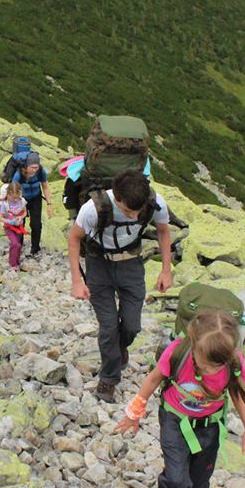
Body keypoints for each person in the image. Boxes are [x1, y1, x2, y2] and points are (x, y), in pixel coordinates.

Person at [116, 310, 245, 488]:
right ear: (193, 345)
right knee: (176, 481)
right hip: (175, 421)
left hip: (210, 425)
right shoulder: (178, 352)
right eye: (205, 367)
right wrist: (134, 413)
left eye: (216, 368)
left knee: (199, 480)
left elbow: (238, 393)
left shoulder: (231, 361)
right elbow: (153, 379)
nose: (210, 372)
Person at [68, 170, 173, 402]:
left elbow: (164, 232)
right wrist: (77, 280)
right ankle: (108, 379)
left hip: (131, 265)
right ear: (117, 198)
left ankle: (119, 349)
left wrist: (166, 270)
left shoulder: (154, 203)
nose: (134, 216)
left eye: (137, 211)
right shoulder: (94, 208)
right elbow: (74, 238)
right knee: (108, 327)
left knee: (132, 325)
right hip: (99, 266)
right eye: (127, 211)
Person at [11, 152, 52, 257]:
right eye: (32, 167)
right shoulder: (18, 175)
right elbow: (13, 191)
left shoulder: (41, 172)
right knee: (20, 223)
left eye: (36, 167)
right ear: (26, 166)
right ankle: (18, 246)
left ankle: (35, 248)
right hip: (21, 199)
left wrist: (49, 204)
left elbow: (45, 187)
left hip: (35, 198)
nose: (35, 170)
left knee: (36, 224)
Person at [0, 182, 28, 271]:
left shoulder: (22, 201)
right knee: (15, 243)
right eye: (12, 197)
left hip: (19, 226)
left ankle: (17, 260)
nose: (15, 200)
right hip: (9, 227)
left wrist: (20, 217)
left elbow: (25, 212)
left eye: (16, 197)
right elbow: (0, 217)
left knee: (18, 244)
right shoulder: (5, 204)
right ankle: (12, 263)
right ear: (8, 194)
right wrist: (9, 221)